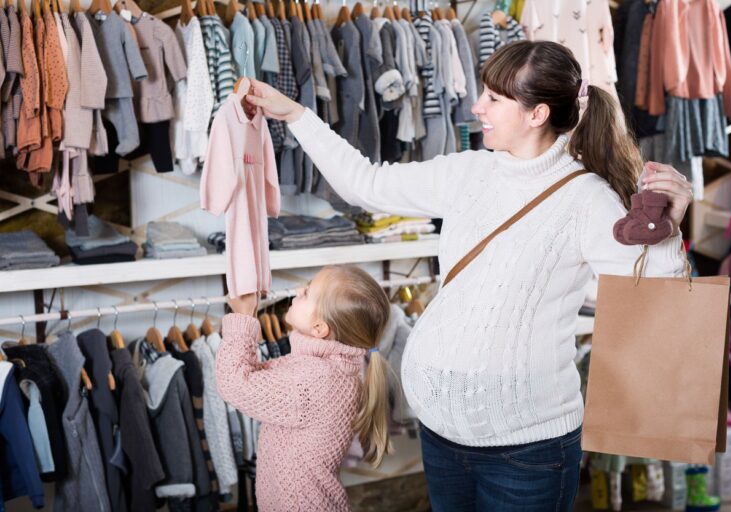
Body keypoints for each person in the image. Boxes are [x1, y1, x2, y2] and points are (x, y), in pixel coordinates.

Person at [241, 41, 693, 511]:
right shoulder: (468, 171)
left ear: (537, 114)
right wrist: (295, 115)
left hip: (527, 454)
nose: (477, 106)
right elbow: (366, 184)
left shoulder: (587, 200)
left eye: (494, 99)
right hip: (440, 438)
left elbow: (654, 301)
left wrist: (667, 233)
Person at [216, 265, 393, 512]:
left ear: (319, 328)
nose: (298, 289)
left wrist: (243, 318)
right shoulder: (325, 367)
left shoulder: (317, 379)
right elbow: (255, 377)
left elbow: (235, 383)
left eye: (307, 292)